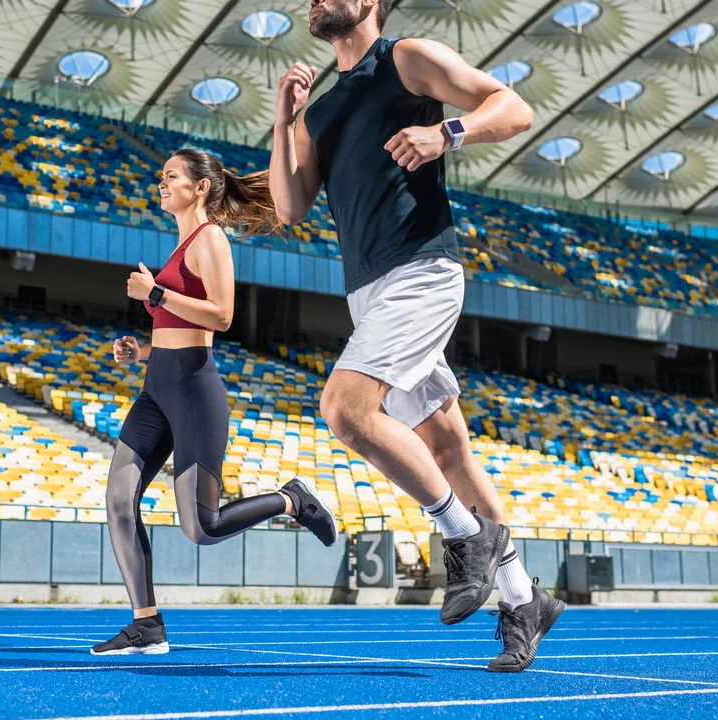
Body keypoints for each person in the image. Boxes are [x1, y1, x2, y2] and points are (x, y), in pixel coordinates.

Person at [267, 0, 564, 672]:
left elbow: (513, 108)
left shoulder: (406, 57)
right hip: (368, 293)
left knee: (345, 408)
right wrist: (283, 121)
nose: (312, 2)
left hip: (422, 270)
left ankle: (463, 536)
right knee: (448, 447)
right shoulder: (319, 108)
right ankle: (524, 600)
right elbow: (289, 206)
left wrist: (447, 133)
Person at [91, 148, 338, 656]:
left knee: (202, 527)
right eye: (162, 175)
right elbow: (178, 330)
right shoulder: (180, 245)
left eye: (170, 176)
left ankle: (292, 499)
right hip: (156, 389)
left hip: (194, 394)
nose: (161, 183)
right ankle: (146, 624)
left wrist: (155, 295)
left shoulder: (211, 240)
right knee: (118, 499)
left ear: (200, 188)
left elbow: (222, 316)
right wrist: (142, 350)